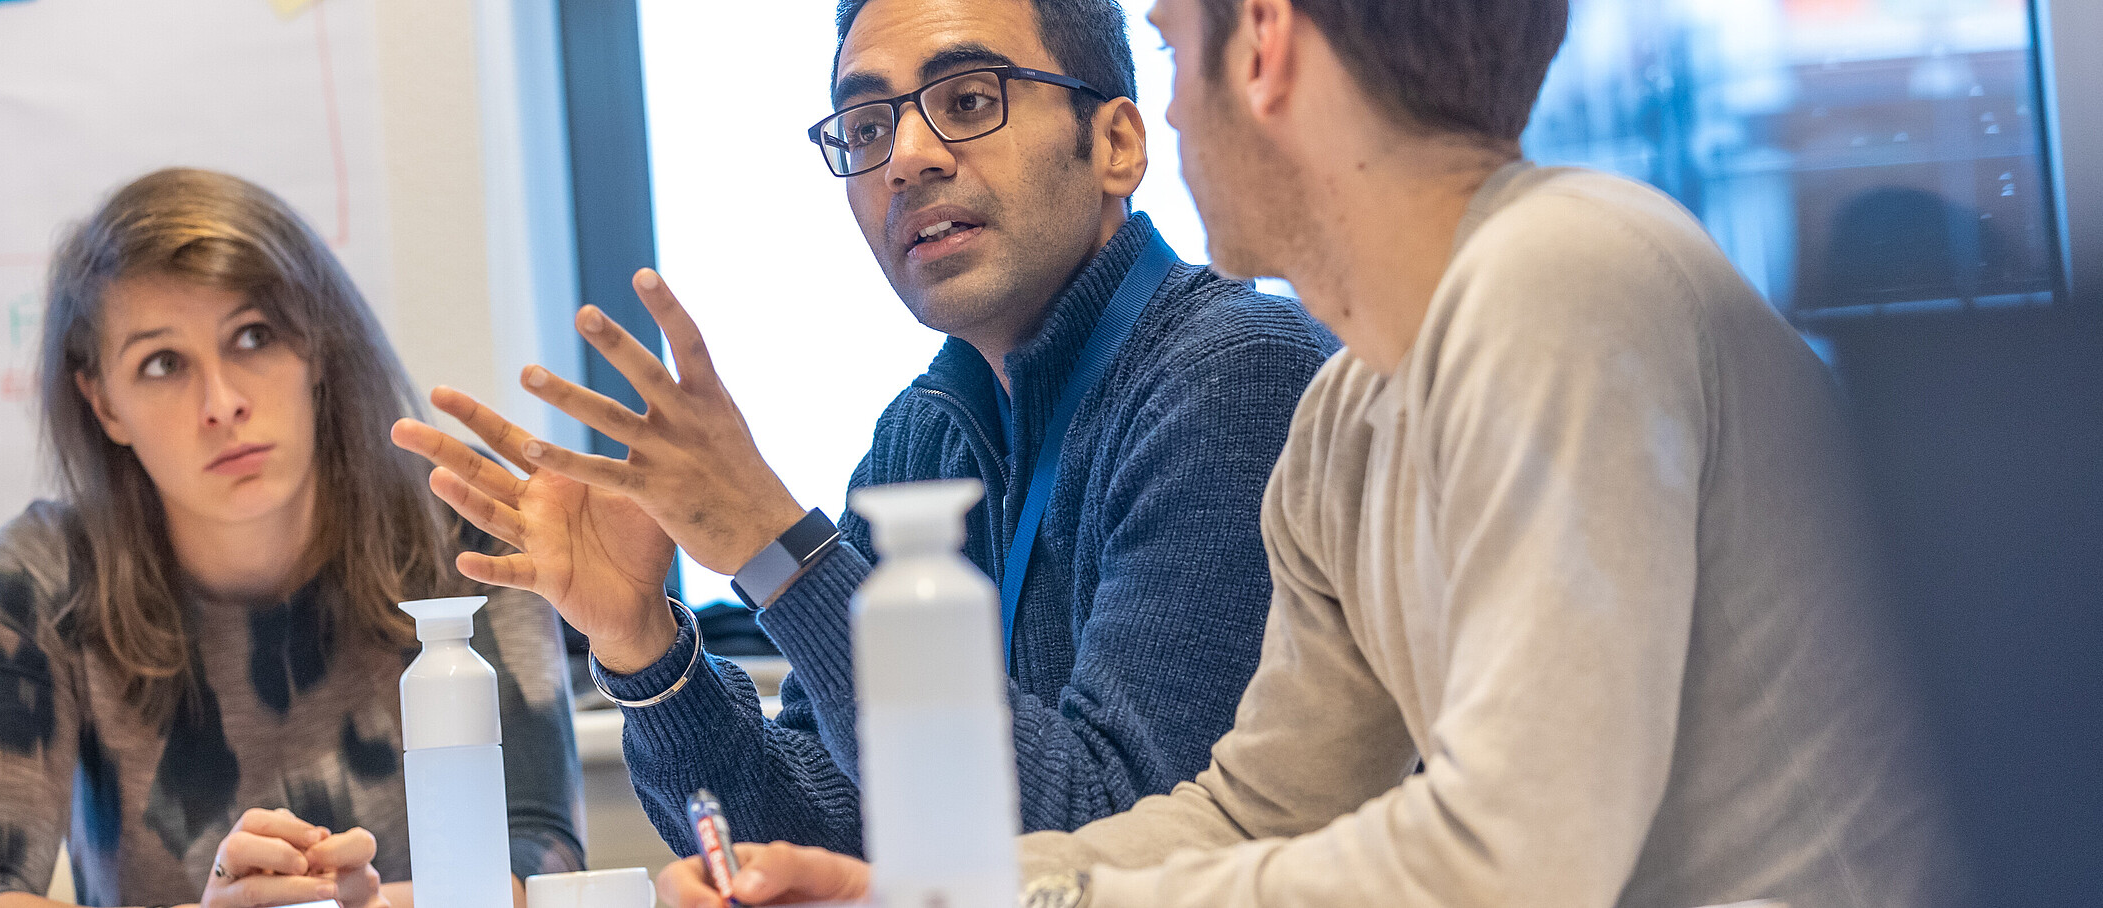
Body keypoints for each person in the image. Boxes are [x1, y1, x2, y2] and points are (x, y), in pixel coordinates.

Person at [654, 0, 1960, 905]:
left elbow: (1508, 866)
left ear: (1261, 45)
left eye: (1169, 48)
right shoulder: (1354, 414)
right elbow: (1254, 809)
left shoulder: (1562, 279)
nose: (1162, 109)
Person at [391, 0, 1337, 861]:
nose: (908, 159)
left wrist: (779, 548)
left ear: (1117, 144)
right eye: (869, 127)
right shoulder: (920, 439)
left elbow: (1121, 840)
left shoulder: (1232, 377)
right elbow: (815, 847)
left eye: (969, 100)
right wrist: (645, 647)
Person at [0, 168, 585, 908]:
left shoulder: (464, 525)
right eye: (162, 364)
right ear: (103, 404)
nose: (222, 404)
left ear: (313, 344)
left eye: (253, 337)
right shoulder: (46, 571)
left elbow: (542, 864)